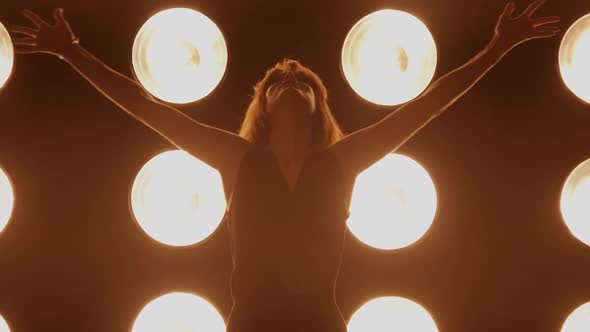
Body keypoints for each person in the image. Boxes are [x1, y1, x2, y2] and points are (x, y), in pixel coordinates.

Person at [10, 1, 559, 330]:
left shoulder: (343, 161)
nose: (290, 79)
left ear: (320, 103)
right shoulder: (235, 158)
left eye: (303, 80)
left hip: (323, 326)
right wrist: (72, 51)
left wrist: (498, 47)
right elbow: (146, 108)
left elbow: (429, 104)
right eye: (277, 80)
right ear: (263, 106)